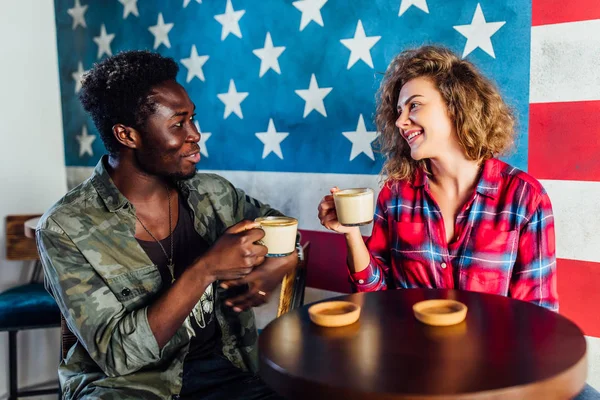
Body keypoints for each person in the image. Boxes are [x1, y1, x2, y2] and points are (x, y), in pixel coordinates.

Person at [318, 45, 600, 400]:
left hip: (499, 371)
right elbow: (376, 300)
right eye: (398, 110)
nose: (401, 121)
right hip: (410, 364)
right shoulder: (396, 195)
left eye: (414, 105)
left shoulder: (524, 198)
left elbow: (537, 318)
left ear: (457, 105)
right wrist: (351, 236)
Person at [36, 50, 298, 399]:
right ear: (127, 136)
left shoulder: (213, 193)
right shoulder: (64, 227)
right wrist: (205, 268)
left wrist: (275, 267)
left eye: (193, 119)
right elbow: (118, 356)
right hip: (127, 388)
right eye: (178, 124)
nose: (195, 134)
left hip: (231, 373)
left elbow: (287, 235)